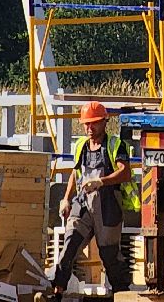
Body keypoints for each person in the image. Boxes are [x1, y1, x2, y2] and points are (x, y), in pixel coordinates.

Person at [47, 101, 138, 299]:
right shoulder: (81, 145)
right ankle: (56, 293)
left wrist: (101, 182)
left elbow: (125, 173)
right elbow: (75, 172)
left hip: (107, 206)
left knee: (109, 255)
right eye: (86, 124)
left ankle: (122, 294)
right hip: (83, 204)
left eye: (94, 123)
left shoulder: (115, 145)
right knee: (69, 246)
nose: (89, 128)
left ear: (104, 122)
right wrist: (66, 199)